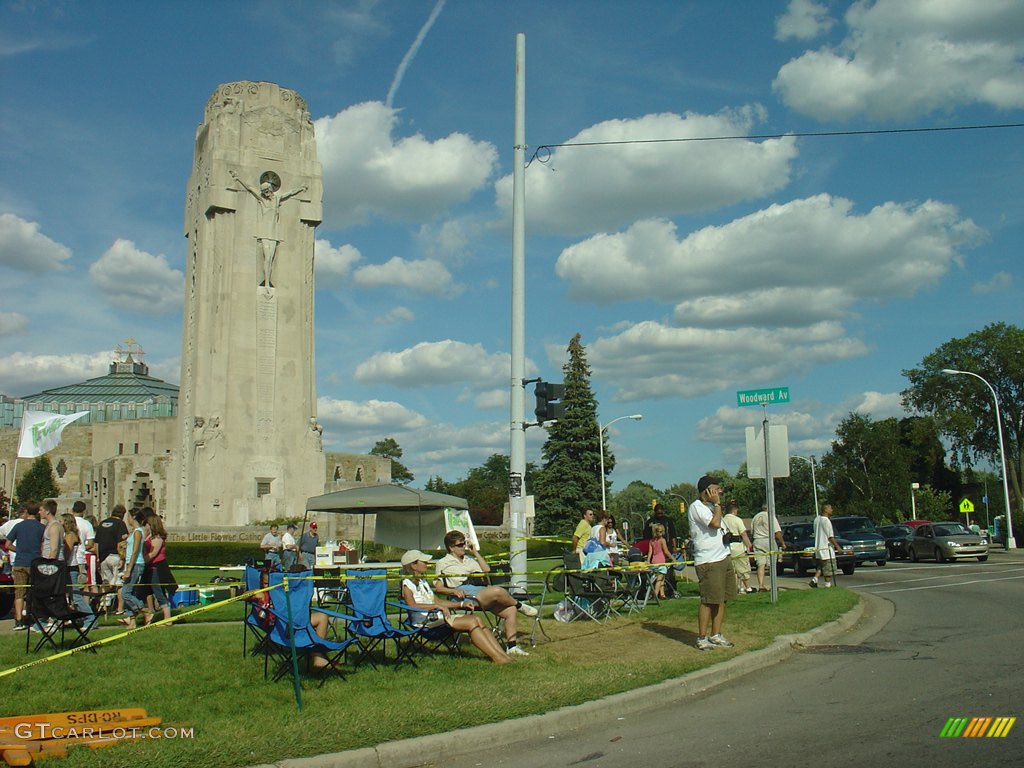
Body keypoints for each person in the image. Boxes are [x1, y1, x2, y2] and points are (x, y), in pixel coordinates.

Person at [433, 531, 537, 657]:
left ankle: (512, 646)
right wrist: (454, 591)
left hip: (480, 590)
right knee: (498, 591)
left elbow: (486, 570)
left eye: (464, 544)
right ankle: (520, 605)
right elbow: (438, 588)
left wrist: (475, 552)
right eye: (460, 545)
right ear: (451, 548)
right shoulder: (443, 563)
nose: (464, 547)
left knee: (510, 610)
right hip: (463, 594)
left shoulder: (469, 559)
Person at [400, 550, 512, 664]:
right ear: (413, 565)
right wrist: (436, 606)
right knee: (471, 622)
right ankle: (496, 657)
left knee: (477, 619)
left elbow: (437, 600)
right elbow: (411, 605)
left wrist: (461, 604)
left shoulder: (422, 581)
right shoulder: (407, 584)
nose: (427, 564)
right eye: (424, 562)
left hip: (436, 617)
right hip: (425, 622)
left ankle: (501, 655)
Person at [229, 169, 307, 292]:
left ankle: (268, 281)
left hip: (274, 232)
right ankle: (266, 283)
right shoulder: (262, 201)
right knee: (267, 257)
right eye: (264, 192)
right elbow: (250, 188)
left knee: (271, 257)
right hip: (264, 231)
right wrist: (238, 178)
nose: (266, 193)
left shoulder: (277, 200)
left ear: (270, 190)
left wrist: (301, 189)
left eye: (267, 191)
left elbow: (290, 193)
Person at [688, 475, 737, 650]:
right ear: (706, 491)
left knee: (721, 599)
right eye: (716, 489)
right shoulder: (697, 507)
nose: (720, 492)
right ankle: (702, 637)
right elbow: (714, 523)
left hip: (722, 557)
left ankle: (716, 634)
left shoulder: (711, 507)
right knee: (708, 600)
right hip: (709, 561)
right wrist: (717, 504)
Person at [5, 504, 44, 630]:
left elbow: (7, 544)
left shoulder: (19, 526)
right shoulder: (41, 527)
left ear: (26, 512)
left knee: (19, 593)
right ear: (38, 513)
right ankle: (31, 616)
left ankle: (19, 620)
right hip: (35, 562)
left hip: (20, 562)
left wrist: (19, 550)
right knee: (33, 592)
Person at [140, 509, 174, 623]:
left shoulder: (157, 538)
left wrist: (142, 561)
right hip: (150, 568)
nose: (146, 526)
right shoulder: (149, 536)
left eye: (148, 524)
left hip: (156, 568)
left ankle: (167, 619)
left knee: (158, 592)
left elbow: (153, 553)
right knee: (147, 591)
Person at [118, 509, 149, 628]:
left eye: (129, 517)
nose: (127, 519)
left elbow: (135, 551)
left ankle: (144, 610)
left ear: (133, 517)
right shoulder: (134, 532)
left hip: (135, 564)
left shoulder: (138, 532)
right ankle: (132, 621)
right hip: (132, 563)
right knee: (130, 592)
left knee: (126, 593)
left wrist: (129, 569)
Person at [94, 504, 129, 610]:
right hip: (115, 556)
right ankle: (120, 609)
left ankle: (103, 607)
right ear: (122, 514)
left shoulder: (102, 523)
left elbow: (97, 543)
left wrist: (98, 557)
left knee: (106, 583)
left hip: (103, 557)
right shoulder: (120, 524)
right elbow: (122, 542)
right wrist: (122, 558)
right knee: (119, 584)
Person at [751, 504, 785, 592]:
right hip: (768, 540)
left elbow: (752, 531)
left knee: (760, 564)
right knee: (772, 565)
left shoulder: (755, 517)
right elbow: (777, 532)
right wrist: (782, 543)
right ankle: (773, 585)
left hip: (757, 540)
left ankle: (761, 586)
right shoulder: (771, 517)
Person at [722, 500, 754, 594]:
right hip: (738, 548)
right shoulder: (737, 520)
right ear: (734, 511)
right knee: (743, 569)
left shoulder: (722, 520)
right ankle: (748, 587)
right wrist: (749, 545)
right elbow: (743, 534)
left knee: (732, 571)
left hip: (726, 548)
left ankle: (734, 588)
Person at [810, 504, 839, 589]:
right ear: (825, 510)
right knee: (828, 570)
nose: (832, 510)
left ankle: (814, 580)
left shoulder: (817, 519)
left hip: (818, 548)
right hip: (827, 550)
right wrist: (837, 547)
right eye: (830, 508)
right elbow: (830, 537)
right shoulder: (826, 521)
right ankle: (827, 586)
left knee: (821, 567)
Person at [646, 523, 672, 599]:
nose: (661, 533)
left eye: (661, 531)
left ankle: (662, 594)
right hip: (661, 562)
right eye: (659, 532)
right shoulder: (662, 540)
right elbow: (666, 551)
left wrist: (648, 561)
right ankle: (655, 595)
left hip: (654, 562)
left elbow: (650, 552)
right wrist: (673, 559)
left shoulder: (651, 541)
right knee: (659, 579)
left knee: (662, 579)